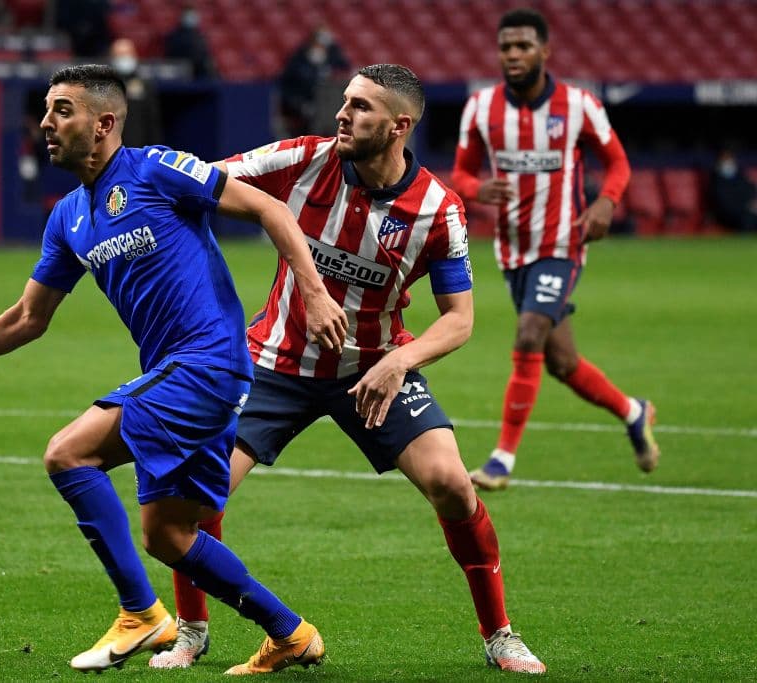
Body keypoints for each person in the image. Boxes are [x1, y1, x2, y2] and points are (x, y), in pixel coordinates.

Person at [0, 64, 349, 675]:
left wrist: (315, 293)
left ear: (104, 123)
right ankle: (290, 632)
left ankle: (141, 613)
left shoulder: (156, 168)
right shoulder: (68, 217)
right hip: (183, 373)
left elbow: (270, 209)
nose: (47, 124)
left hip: (206, 362)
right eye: (47, 110)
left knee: (67, 453)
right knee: (167, 536)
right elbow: (30, 316)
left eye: (62, 111)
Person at [149, 64, 547, 675]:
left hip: (373, 368)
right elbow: (208, 178)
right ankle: (192, 632)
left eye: (361, 107)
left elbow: (459, 319)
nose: (343, 114)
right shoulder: (302, 159)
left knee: (451, 482)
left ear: (399, 126)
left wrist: (401, 361)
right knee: (195, 502)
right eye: (344, 102)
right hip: (273, 360)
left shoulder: (438, 211)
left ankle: (500, 636)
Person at [450, 8, 659, 491]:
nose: (513, 55)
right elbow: (461, 172)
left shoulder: (579, 104)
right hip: (512, 248)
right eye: (506, 47)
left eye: (523, 46)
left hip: (562, 243)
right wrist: (477, 189)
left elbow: (619, 163)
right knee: (561, 361)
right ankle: (633, 411)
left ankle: (502, 459)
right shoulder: (480, 109)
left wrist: (607, 202)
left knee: (528, 336)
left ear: (545, 50)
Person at [278, 25, 350, 137]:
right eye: (318, 44)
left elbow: (344, 66)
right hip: (302, 107)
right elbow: (288, 87)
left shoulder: (332, 55)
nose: (321, 48)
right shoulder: (299, 59)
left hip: (326, 106)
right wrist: (300, 104)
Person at [109, 37, 163, 148]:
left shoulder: (145, 85)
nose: (124, 58)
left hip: (138, 150)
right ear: (112, 57)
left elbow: (152, 121)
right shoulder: (102, 86)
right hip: (110, 152)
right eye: (119, 55)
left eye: (127, 54)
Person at [163, 4, 217, 80]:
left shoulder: (199, 36)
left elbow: (204, 55)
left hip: (200, 72)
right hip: (182, 72)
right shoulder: (175, 36)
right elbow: (172, 56)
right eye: (189, 14)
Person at [709, 148, 757, 232]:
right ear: (719, 163)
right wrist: (747, 207)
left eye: (730, 160)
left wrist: (753, 203)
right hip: (728, 213)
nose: (728, 163)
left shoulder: (740, 177)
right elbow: (724, 202)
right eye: (725, 160)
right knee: (748, 218)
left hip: (748, 209)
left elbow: (750, 190)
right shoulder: (716, 180)